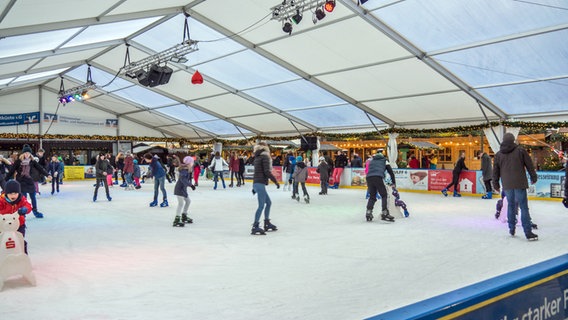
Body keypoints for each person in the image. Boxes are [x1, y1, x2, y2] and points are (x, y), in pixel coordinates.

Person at [492, 132, 538, 240]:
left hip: (507, 184)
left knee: (511, 205)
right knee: (523, 207)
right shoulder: (520, 151)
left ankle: (511, 228)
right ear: (513, 140)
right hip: (520, 183)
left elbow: (495, 171)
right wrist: (533, 177)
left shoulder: (499, 154)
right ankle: (528, 232)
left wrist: (496, 184)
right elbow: (529, 165)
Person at [6, 144, 50, 218]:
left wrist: (47, 175)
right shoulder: (18, 161)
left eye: (28, 153)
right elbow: (12, 171)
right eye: (26, 153)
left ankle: (35, 211)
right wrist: (6, 180)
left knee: (33, 197)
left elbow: (40, 168)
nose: (27, 154)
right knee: (23, 198)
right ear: (23, 153)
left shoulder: (32, 161)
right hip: (21, 182)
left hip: (30, 181)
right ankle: (23, 213)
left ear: (30, 154)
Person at [251, 142, 280, 235]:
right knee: (261, 206)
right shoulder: (264, 157)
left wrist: (255, 187)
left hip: (257, 183)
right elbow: (266, 171)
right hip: (259, 183)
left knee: (268, 203)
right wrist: (275, 181)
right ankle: (255, 226)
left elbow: (258, 171)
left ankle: (267, 223)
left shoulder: (257, 157)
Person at [0, 180, 33, 253]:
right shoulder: (1, 201)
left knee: (19, 240)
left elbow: (28, 206)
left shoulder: (21, 199)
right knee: (3, 241)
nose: (13, 196)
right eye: (10, 193)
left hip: (19, 225)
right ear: (6, 193)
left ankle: (22, 255)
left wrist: (25, 209)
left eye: (15, 193)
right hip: (4, 227)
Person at [365, 149, 396, 222]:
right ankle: (385, 212)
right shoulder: (385, 161)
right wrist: (393, 183)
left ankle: (368, 212)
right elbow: (391, 173)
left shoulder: (372, 161)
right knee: (384, 195)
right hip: (378, 177)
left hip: (369, 178)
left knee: (372, 196)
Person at [173, 156, 196, 227]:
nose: (193, 164)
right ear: (189, 163)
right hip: (179, 189)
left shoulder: (187, 169)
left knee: (188, 201)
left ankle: (184, 215)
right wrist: (191, 185)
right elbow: (183, 180)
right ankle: (176, 220)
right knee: (181, 204)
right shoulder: (184, 170)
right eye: (192, 162)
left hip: (183, 189)